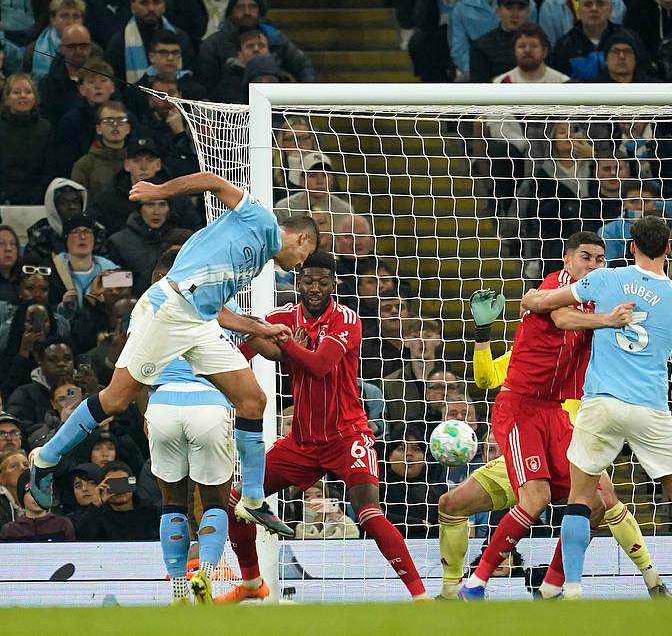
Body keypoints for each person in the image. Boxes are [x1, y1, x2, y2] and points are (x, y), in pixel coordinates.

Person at [28, 171, 317, 540]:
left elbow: (215, 310)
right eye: (305, 256)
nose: (299, 265)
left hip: (198, 322)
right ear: (302, 238)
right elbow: (214, 181)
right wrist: (159, 190)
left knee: (252, 400)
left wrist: (260, 328)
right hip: (168, 310)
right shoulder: (260, 219)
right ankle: (46, 458)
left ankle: (253, 499)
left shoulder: (257, 261)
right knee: (115, 400)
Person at [216, 252, 429, 603]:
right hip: (301, 442)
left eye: (323, 282)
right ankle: (252, 583)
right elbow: (242, 352)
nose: (315, 288)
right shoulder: (283, 317)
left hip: (347, 436)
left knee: (369, 514)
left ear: (334, 284)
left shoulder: (346, 319)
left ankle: (421, 596)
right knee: (236, 501)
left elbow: (319, 366)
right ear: (299, 283)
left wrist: (285, 344)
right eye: (309, 281)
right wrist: (241, 344)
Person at [521, 216, 672, 599]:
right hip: (650, 407)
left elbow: (546, 304)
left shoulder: (606, 279)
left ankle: (572, 586)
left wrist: (530, 298)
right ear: (668, 249)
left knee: (580, 498)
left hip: (601, 403)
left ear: (630, 247)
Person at [437, 284, 670, 600]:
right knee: (451, 504)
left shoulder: (587, 352)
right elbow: (485, 379)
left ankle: (651, 580)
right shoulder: (526, 356)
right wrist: (482, 332)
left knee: (604, 501)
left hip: (569, 446)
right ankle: (450, 591)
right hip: (525, 448)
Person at [457, 231, 635, 599]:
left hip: (555, 412)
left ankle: (553, 585)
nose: (593, 265)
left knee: (597, 502)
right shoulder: (558, 283)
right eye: (586, 257)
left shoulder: (596, 300)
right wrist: (608, 320)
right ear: (568, 260)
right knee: (535, 498)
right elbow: (562, 317)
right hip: (520, 408)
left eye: (600, 259)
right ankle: (475, 583)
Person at [143, 248, 235, 604]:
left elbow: (133, 371)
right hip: (208, 403)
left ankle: (178, 586)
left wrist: (146, 414)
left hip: (162, 403)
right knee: (215, 502)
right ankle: (206, 573)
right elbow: (251, 345)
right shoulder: (221, 304)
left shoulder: (149, 307)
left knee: (173, 503)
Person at [195, 0, 315, 92]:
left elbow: (303, 67)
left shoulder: (275, 38)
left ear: (259, 10)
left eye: (252, 6)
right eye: (241, 7)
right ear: (231, 10)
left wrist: (302, 99)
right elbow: (206, 84)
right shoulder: (214, 44)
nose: (247, 12)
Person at [104, 0, 195, 85]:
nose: (151, 8)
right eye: (144, 3)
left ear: (163, 6)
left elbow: (189, 76)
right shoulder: (120, 41)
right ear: (132, 7)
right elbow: (116, 82)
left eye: (156, 2)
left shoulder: (180, 38)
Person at [0, 73, 51, 205]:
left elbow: (49, 169)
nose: (23, 96)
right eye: (16, 92)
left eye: (28, 92)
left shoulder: (45, 129)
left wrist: (37, 197)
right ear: (7, 99)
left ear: (35, 98)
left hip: (36, 200)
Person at [469, 0, 533, 83]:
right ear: (497, 11)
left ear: (528, 12)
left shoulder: (539, 45)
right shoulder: (482, 46)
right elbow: (479, 86)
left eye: (520, 8)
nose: (514, 14)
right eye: (509, 8)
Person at [0, 468, 75, 541]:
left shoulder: (62, 525)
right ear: (22, 496)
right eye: (32, 492)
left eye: (44, 491)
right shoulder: (10, 530)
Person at [491, 23, 568, 83]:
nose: (527, 50)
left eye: (534, 46)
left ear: (544, 51)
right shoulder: (501, 83)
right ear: (514, 51)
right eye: (521, 46)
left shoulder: (563, 83)